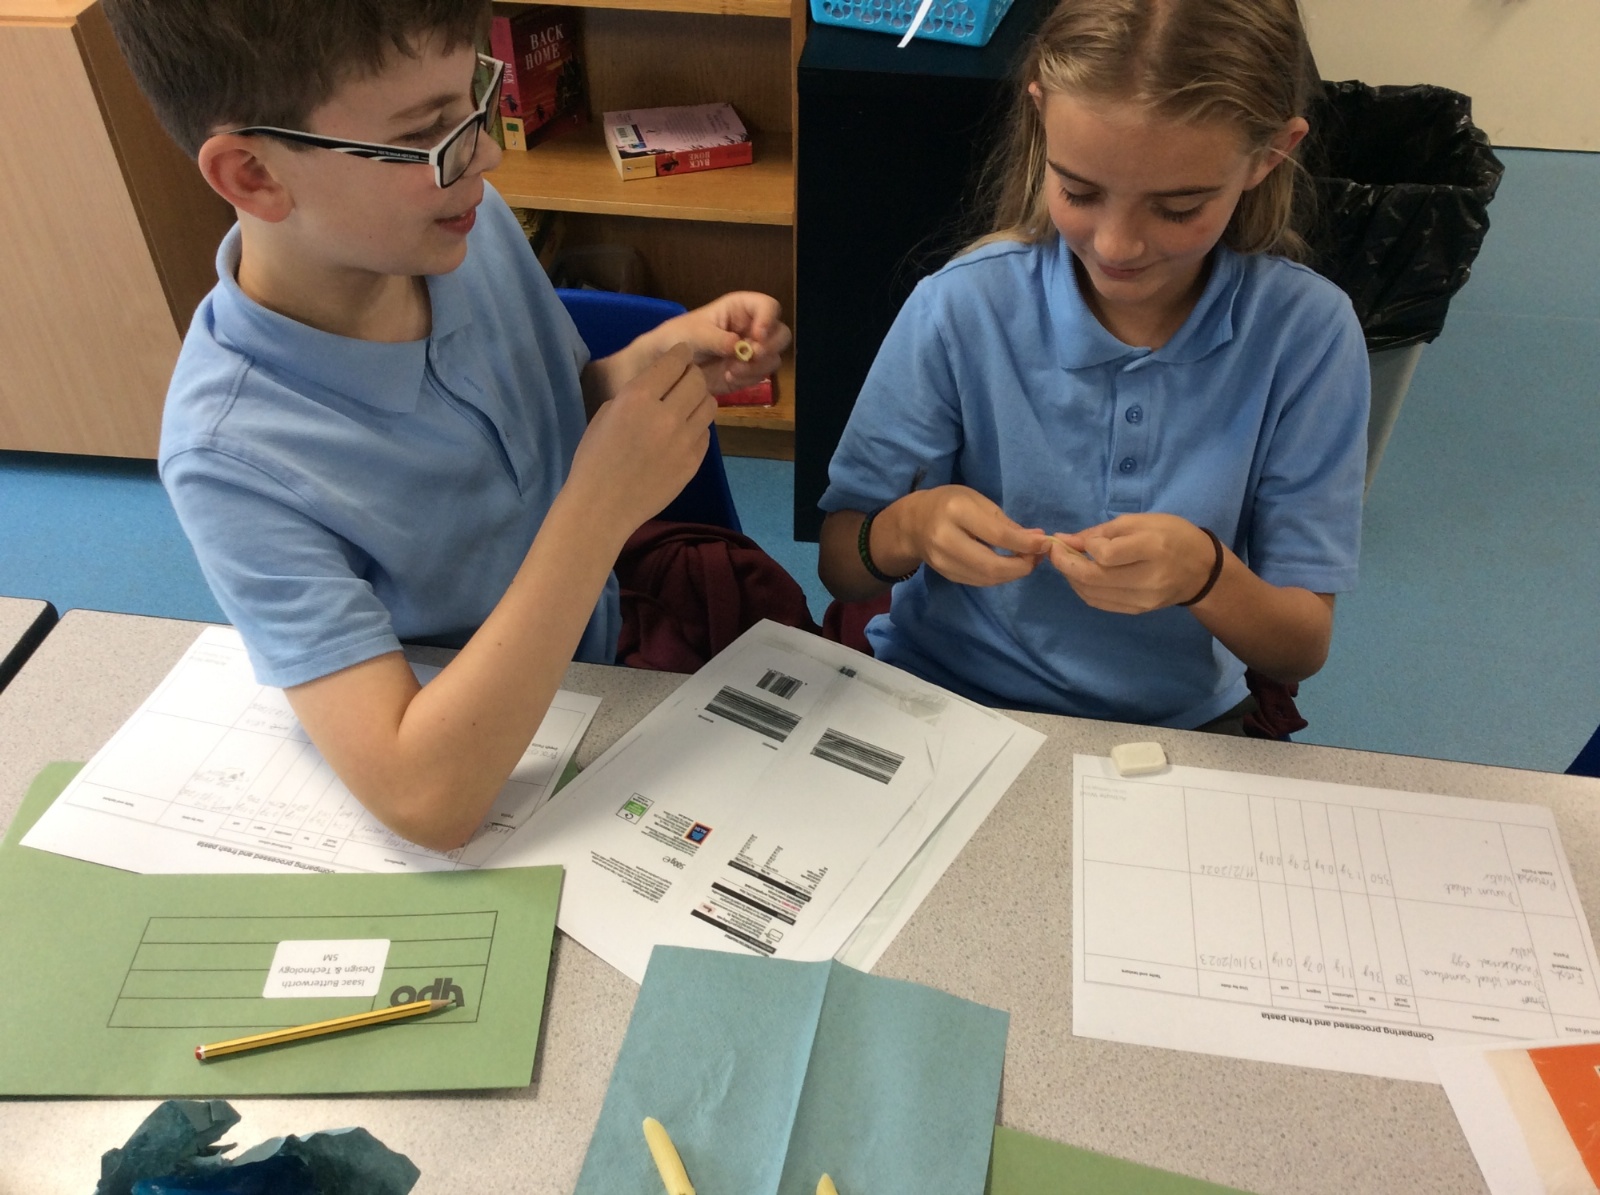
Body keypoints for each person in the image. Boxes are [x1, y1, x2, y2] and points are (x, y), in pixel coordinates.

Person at [102, 0, 790, 849]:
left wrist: (646, 366)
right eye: (428, 132)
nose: (486, 154)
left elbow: (546, 413)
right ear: (254, 175)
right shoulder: (230, 456)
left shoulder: (462, 225)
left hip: (602, 654)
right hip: (489, 747)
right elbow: (425, 799)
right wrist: (599, 509)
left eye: (475, 96)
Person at [818, 0, 1368, 734]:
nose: (1116, 246)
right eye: (1079, 192)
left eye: (1178, 208)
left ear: (1271, 154)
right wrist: (908, 529)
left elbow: (1300, 646)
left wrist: (1206, 574)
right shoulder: (961, 307)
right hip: (944, 695)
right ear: (1041, 117)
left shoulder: (1308, 335)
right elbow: (841, 563)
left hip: (1173, 724)